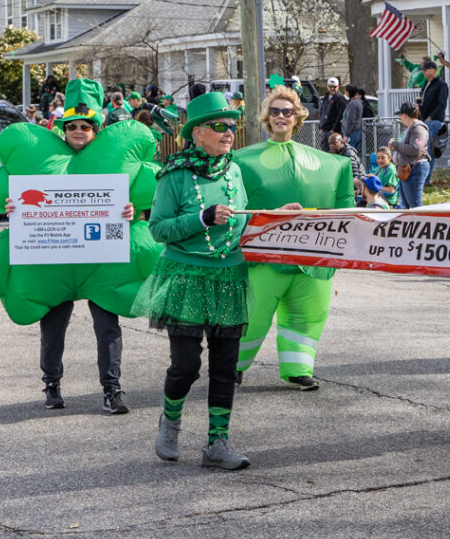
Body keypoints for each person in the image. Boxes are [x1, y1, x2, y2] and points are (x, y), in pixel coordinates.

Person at [133, 92, 252, 469]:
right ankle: (170, 422)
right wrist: (202, 218)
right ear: (197, 133)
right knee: (186, 366)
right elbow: (158, 228)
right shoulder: (175, 174)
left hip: (228, 276)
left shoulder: (234, 170)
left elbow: (245, 217)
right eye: (219, 126)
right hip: (185, 277)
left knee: (225, 366)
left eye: (232, 126)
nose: (228, 132)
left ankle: (217, 443)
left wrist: (279, 216)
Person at [4, 79, 134, 414]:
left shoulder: (111, 161)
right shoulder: (46, 160)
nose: (78, 131)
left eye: (85, 126)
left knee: (108, 327)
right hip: (56, 257)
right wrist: (15, 208)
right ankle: (52, 384)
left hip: (99, 259)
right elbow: (26, 196)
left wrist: (130, 211)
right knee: (53, 328)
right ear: (63, 129)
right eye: (72, 126)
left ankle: (112, 390)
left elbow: (137, 193)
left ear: (96, 130)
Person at [234, 85, 355, 390]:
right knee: (252, 315)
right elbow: (233, 205)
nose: (281, 116)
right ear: (267, 116)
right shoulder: (241, 161)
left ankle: (298, 368)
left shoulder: (331, 163)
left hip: (310, 259)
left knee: (309, 314)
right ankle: (232, 365)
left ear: (297, 116)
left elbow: (345, 209)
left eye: (287, 111)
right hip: (263, 259)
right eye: (274, 111)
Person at [389, 103, 430, 209]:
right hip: (406, 168)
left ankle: (419, 220)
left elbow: (415, 149)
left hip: (415, 168)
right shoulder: (410, 128)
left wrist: (395, 145)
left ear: (405, 115)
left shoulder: (418, 129)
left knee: (415, 205)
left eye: (400, 115)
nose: (400, 118)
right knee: (406, 205)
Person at [418, 60, 448, 186]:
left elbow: (442, 104)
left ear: (433, 70)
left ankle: (426, 180)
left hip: (434, 121)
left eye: (426, 70)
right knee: (422, 149)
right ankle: (422, 178)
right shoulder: (427, 83)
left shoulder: (441, 84)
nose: (424, 72)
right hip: (424, 120)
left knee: (429, 150)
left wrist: (431, 117)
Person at [328, 132, 365, 197]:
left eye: (334, 143)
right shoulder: (333, 152)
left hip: (357, 184)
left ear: (341, 142)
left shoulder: (349, 153)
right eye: (330, 143)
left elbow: (355, 174)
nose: (332, 146)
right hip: (345, 181)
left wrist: (355, 190)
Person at [319, 77, 348, 151]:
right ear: (327, 86)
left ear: (338, 86)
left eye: (334, 87)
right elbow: (322, 112)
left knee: (334, 150)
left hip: (334, 131)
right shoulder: (326, 97)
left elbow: (341, 115)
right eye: (330, 86)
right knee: (323, 151)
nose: (332, 89)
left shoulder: (340, 98)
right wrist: (320, 126)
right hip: (324, 129)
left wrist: (334, 129)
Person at [342, 83, 363, 152]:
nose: (345, 92)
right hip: (356, 131)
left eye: (346, 91)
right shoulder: (358, 102)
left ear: (348, 92)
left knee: (350, 152)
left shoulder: (353, 104)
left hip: (352, 133)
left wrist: (346, 135)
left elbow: (351, 120)